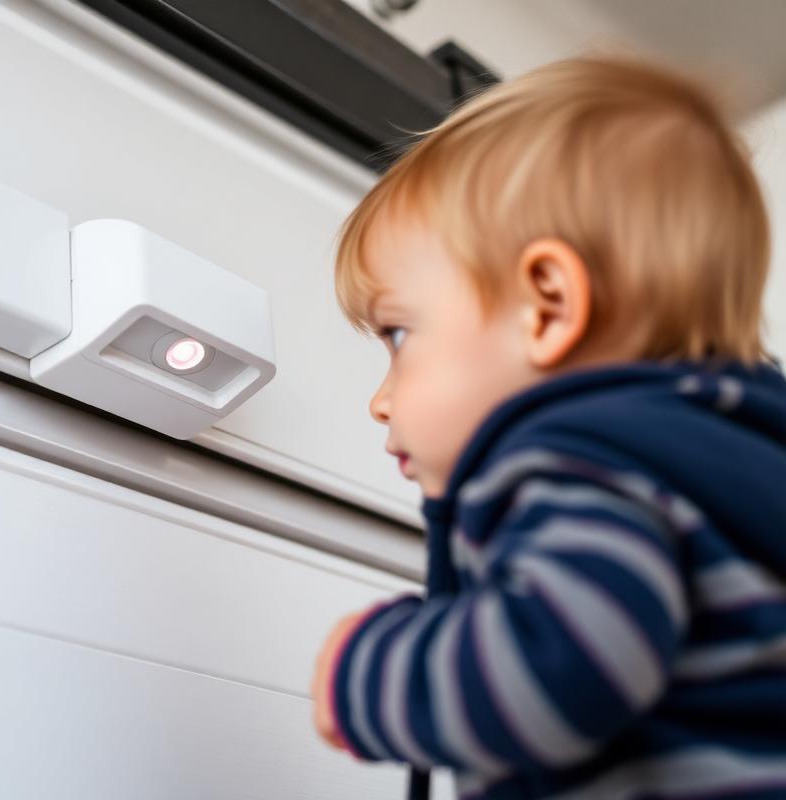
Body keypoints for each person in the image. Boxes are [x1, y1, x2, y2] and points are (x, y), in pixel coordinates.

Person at [311, 55, 786, 799]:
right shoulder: (721, 475)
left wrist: (365, 669)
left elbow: (563, 665)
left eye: (399, 336)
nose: (380, 399)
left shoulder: (578, 461)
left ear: (549, 307)